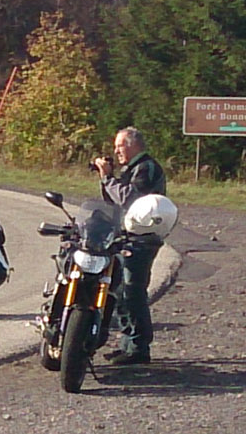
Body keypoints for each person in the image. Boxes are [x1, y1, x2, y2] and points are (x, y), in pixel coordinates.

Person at [91, 126, 167, 365]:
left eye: (119, 145)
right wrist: (107, 178)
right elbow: (112, 201)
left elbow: (130, 199)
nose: (116, 151)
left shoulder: (146, 168)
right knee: (119, 291)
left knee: (132, 291)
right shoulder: (131, 169)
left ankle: (138, 348)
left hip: (142, 239)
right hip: (125, 237)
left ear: (133, 144)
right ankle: (128, 344)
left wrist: (108, 178)